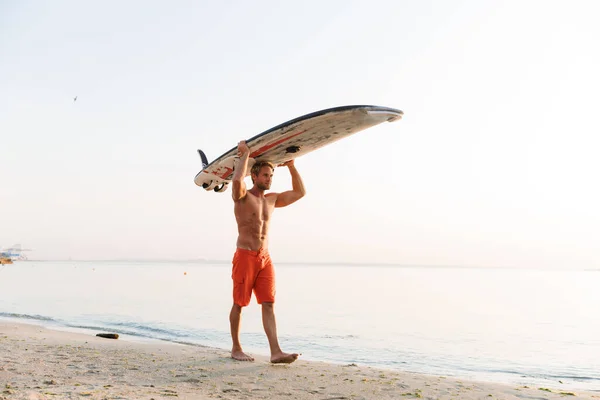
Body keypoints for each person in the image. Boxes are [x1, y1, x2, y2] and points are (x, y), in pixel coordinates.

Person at [229, 140, 306, 363]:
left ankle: (275, 352)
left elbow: (300, 192)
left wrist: (291, 166)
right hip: (245, 256)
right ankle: (236, 348)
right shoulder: (243, 197)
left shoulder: (272, 200)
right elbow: (236, 180)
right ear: (254, 176)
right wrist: (245, 155)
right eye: (264, 175)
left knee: (269, 302)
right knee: (239, 304)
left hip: (265, 258)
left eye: (270, 176)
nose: (269, 179)